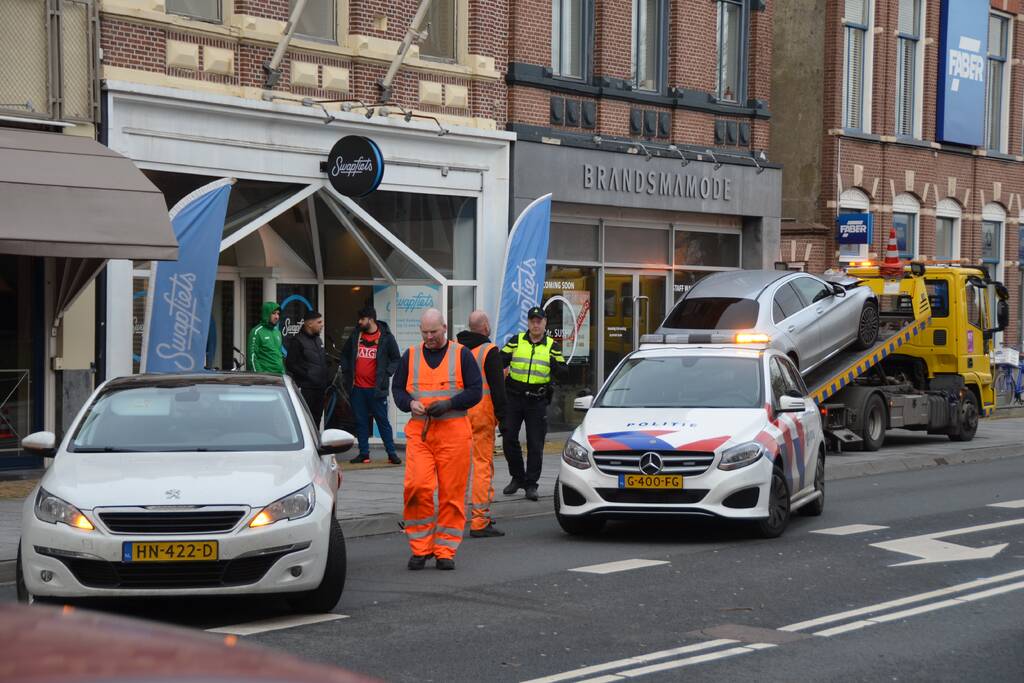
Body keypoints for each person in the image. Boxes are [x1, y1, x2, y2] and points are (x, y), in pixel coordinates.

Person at [391, 308, 482, 570]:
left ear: (444, 327)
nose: (429, 337)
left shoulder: (461, 354)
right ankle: (421, 548)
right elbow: (397, 390)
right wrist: (409, 403)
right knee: (417, 487)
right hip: (421, 433)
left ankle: (445, 551)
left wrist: (450, 403)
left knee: (452, 495)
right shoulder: (411, 355)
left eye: (433, 331)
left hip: (454, 433)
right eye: (425, 332)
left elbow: (476, 391)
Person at [500, 306, 567, 501]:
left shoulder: (552, 346)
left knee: (535, 444)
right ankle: (517, 477)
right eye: (532, 321)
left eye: (539, 321)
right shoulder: (517, 340)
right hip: (514, 398)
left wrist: (556, 366)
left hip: (536, 401)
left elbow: (564, 371)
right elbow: (499, 359)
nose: (535, 324)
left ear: (545, 323)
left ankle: (531, 484)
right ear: (528, 323)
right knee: (508, 438)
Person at [456, 310, 508, 538]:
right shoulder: (489, 351)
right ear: (485, 326)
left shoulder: (457, 349)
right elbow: (497, 390)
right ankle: (479, 520)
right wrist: (505, 419)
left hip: (458, 416)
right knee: (482, 467)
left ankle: (455, 517)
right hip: (481, 416)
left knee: (457, 470)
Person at [341, 307, 402, 465]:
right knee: (360, 422)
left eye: (362, 319)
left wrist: (387, 374)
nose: (359, 322)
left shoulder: (386, 337)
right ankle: (363, 454)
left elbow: (396, 358)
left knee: (382, 421)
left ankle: (391, 453)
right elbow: (345, 353)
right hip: (357, 388)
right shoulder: (356, 334)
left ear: (370, 319)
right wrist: (347, 371)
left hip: (376, 389)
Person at [285, 310, 330, 427]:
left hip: (320, 388)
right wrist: (307, 375)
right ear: (309, 324)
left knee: (317, 420)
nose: (322, 324)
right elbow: (290, 364)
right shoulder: (297, 341)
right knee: (305, 421)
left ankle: (315, 444)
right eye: (319, 322)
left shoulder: (318, 340)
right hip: (306, 389)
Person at [247, 302, 285, 374]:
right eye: (273, 313)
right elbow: (252, 358)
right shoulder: (256, 332)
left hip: (279, 377)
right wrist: (260, 377)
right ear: (266, 314)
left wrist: (283, 372)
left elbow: (279, 355)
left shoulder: (277, 332)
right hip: (266, 378)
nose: (277, 317)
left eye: (278, 314)